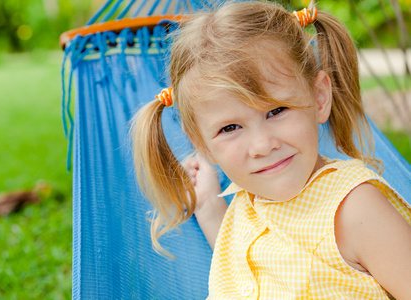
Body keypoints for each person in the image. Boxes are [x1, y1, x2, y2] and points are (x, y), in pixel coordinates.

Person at [131, 1, 411, 298]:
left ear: (318, 98)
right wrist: (211, 210)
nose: (263, 145)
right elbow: (252, 277)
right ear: (202, 145)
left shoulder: (354, 210)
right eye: (229, 128)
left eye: (276, 110)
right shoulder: (245, 205)